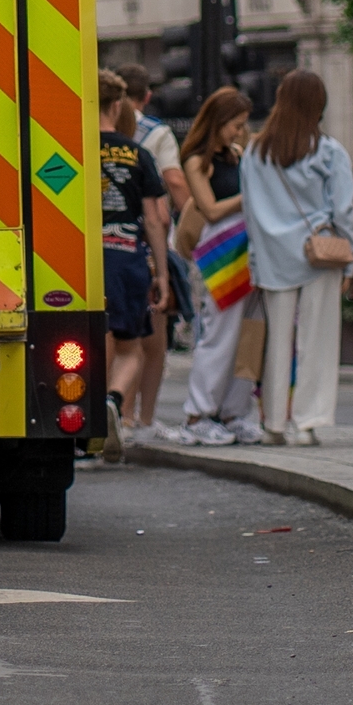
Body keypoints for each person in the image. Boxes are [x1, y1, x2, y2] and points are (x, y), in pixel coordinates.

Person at [241, 69, 353, 444]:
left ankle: (273, 421)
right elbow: (343, 211)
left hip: (274, 256)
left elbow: (251, 214)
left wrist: (258, 260)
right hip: (318, 254)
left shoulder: (255, 153)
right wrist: (350, 259)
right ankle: (307, 421)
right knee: (317, 340)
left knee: (277, 340)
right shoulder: (327, 151)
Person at [171, 87, 263, 444]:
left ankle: (233, 411)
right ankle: (198, 414)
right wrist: (251, 194)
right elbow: (209, 209)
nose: (239, 131)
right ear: (218, 121)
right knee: (220, 335)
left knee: (249, 335)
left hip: (246, 252)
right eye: (235, 124)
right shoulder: (197, 159)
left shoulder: (238, 155)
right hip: (221, 255)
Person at [95, 70, 169, 445]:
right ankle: (114, 400)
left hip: (84, 265)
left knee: (89, 341)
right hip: (126, 259)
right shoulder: (138, 154)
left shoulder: (67, 154)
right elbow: (155, 220)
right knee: (130, 348)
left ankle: (89, 407)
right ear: (118, 104)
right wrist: (162, 276)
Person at [115, 64, 187, 419]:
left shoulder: (80, 135)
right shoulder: (153, 139)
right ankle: (137, 417)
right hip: (135, 252)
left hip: (92, 254)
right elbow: (163, 203)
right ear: (146, 96)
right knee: (148, 340)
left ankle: (114, 413)